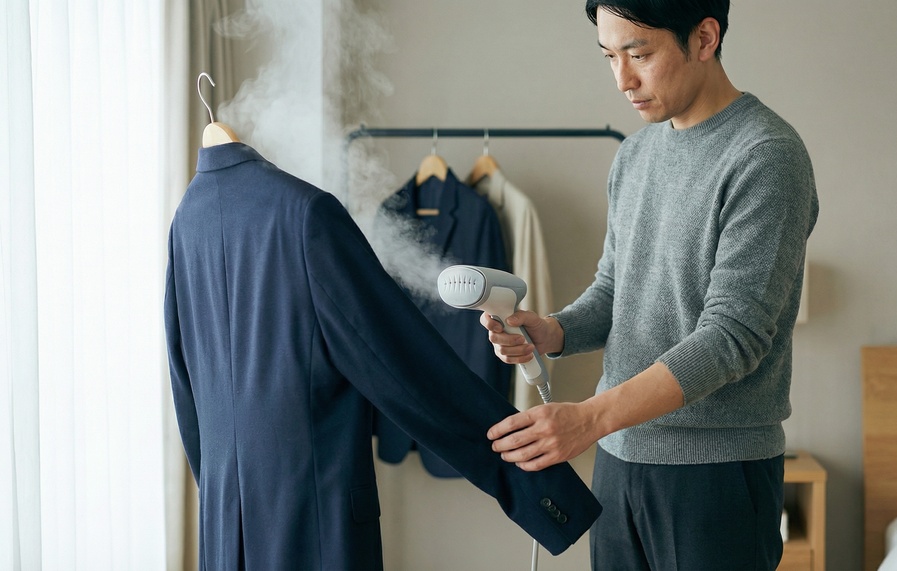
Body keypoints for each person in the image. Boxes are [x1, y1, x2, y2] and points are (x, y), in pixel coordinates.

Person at [480, 1, 819, 569]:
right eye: (610, 56)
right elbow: (616, 291)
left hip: (716, 478)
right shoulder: (635, 153)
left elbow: (733, 337)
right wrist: (553, 330)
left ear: (705, 37)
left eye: (639, 55)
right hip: (618, 464)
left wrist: (588, 417)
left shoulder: (767, 156)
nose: (622, 80)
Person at [164, 140, 601, 570]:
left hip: (224, 527)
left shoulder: (186, 219)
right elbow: (404, 365)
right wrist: (541, 489)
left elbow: (186, 393)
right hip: (316, 526)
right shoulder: (307, 214)